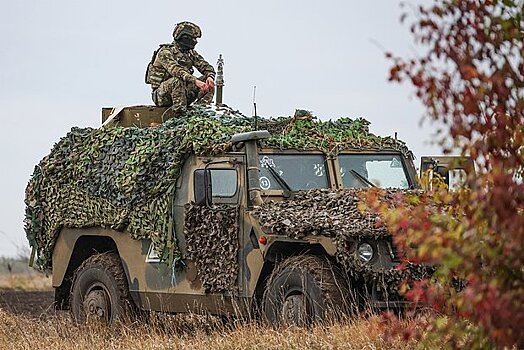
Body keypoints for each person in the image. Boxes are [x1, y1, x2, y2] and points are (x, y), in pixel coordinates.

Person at [145, 22, 215, 115]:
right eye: (193, 38)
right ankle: (180, 114)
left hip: (183, 93)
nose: (195, 41)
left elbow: (206, 66)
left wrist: (210, 76)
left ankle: (201, 111)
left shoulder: (189, 53)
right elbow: (176, 70)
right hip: (162, 96)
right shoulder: (165, 52)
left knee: (208, 81)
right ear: (184, 38)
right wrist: (195, 81)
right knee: (176, 80)